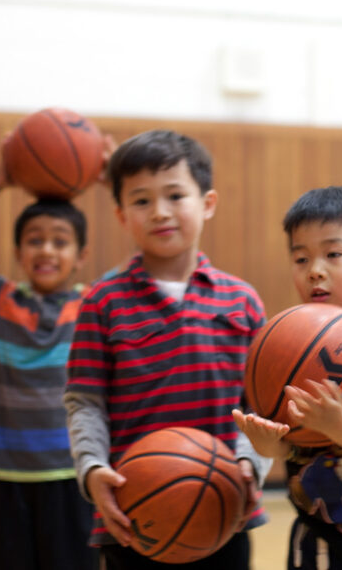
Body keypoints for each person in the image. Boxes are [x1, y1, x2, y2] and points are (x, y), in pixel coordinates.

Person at [64, 129, 272, 570]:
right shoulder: (103, 301)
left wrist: (250, 462)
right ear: (121, 215)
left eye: (175, 195)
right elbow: (85, 403)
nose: (159, 212)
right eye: (141, 201)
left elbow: (260, 405)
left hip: (225, 512)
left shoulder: (242, 301)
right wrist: (92, 468)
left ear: (208, 203)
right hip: (133, 513)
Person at [0, 157, 99, 570]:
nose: (46, 249)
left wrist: (113, 177)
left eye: (60, 241)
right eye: (35, 239)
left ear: (81, 255)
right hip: (9, 477)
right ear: (18, 251)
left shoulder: (92, 304)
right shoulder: (1, 300)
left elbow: (142, 262)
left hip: (71, 476)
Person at [232, 185, 342, 569]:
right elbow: (287, 447)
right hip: (313, 533)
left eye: (333, 254)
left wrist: (339, 425)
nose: (315, 270)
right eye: (300, 258)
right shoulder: (282, 347)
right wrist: (269, 445)